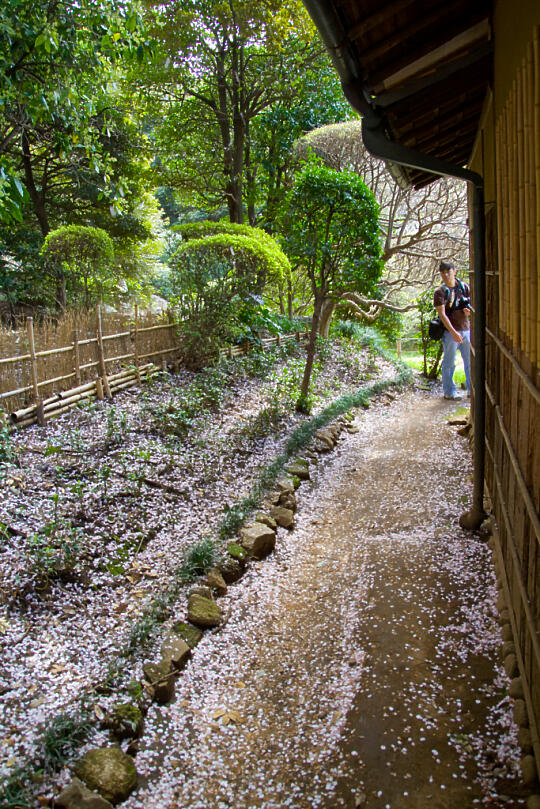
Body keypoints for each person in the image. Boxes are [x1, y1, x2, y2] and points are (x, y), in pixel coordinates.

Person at [433, 260, 471, 400]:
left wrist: (469, 311)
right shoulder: (440, 292)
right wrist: (453, 332)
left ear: (454, 271)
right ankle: (449, 391)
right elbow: (441, 314)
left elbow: (471, 305)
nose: (446, 275)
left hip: (466, 329)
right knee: (449, 362)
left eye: (448, 272)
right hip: (450, 332)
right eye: (443, 273)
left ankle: (471, 389)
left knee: (470, 361)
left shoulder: (464, 287)